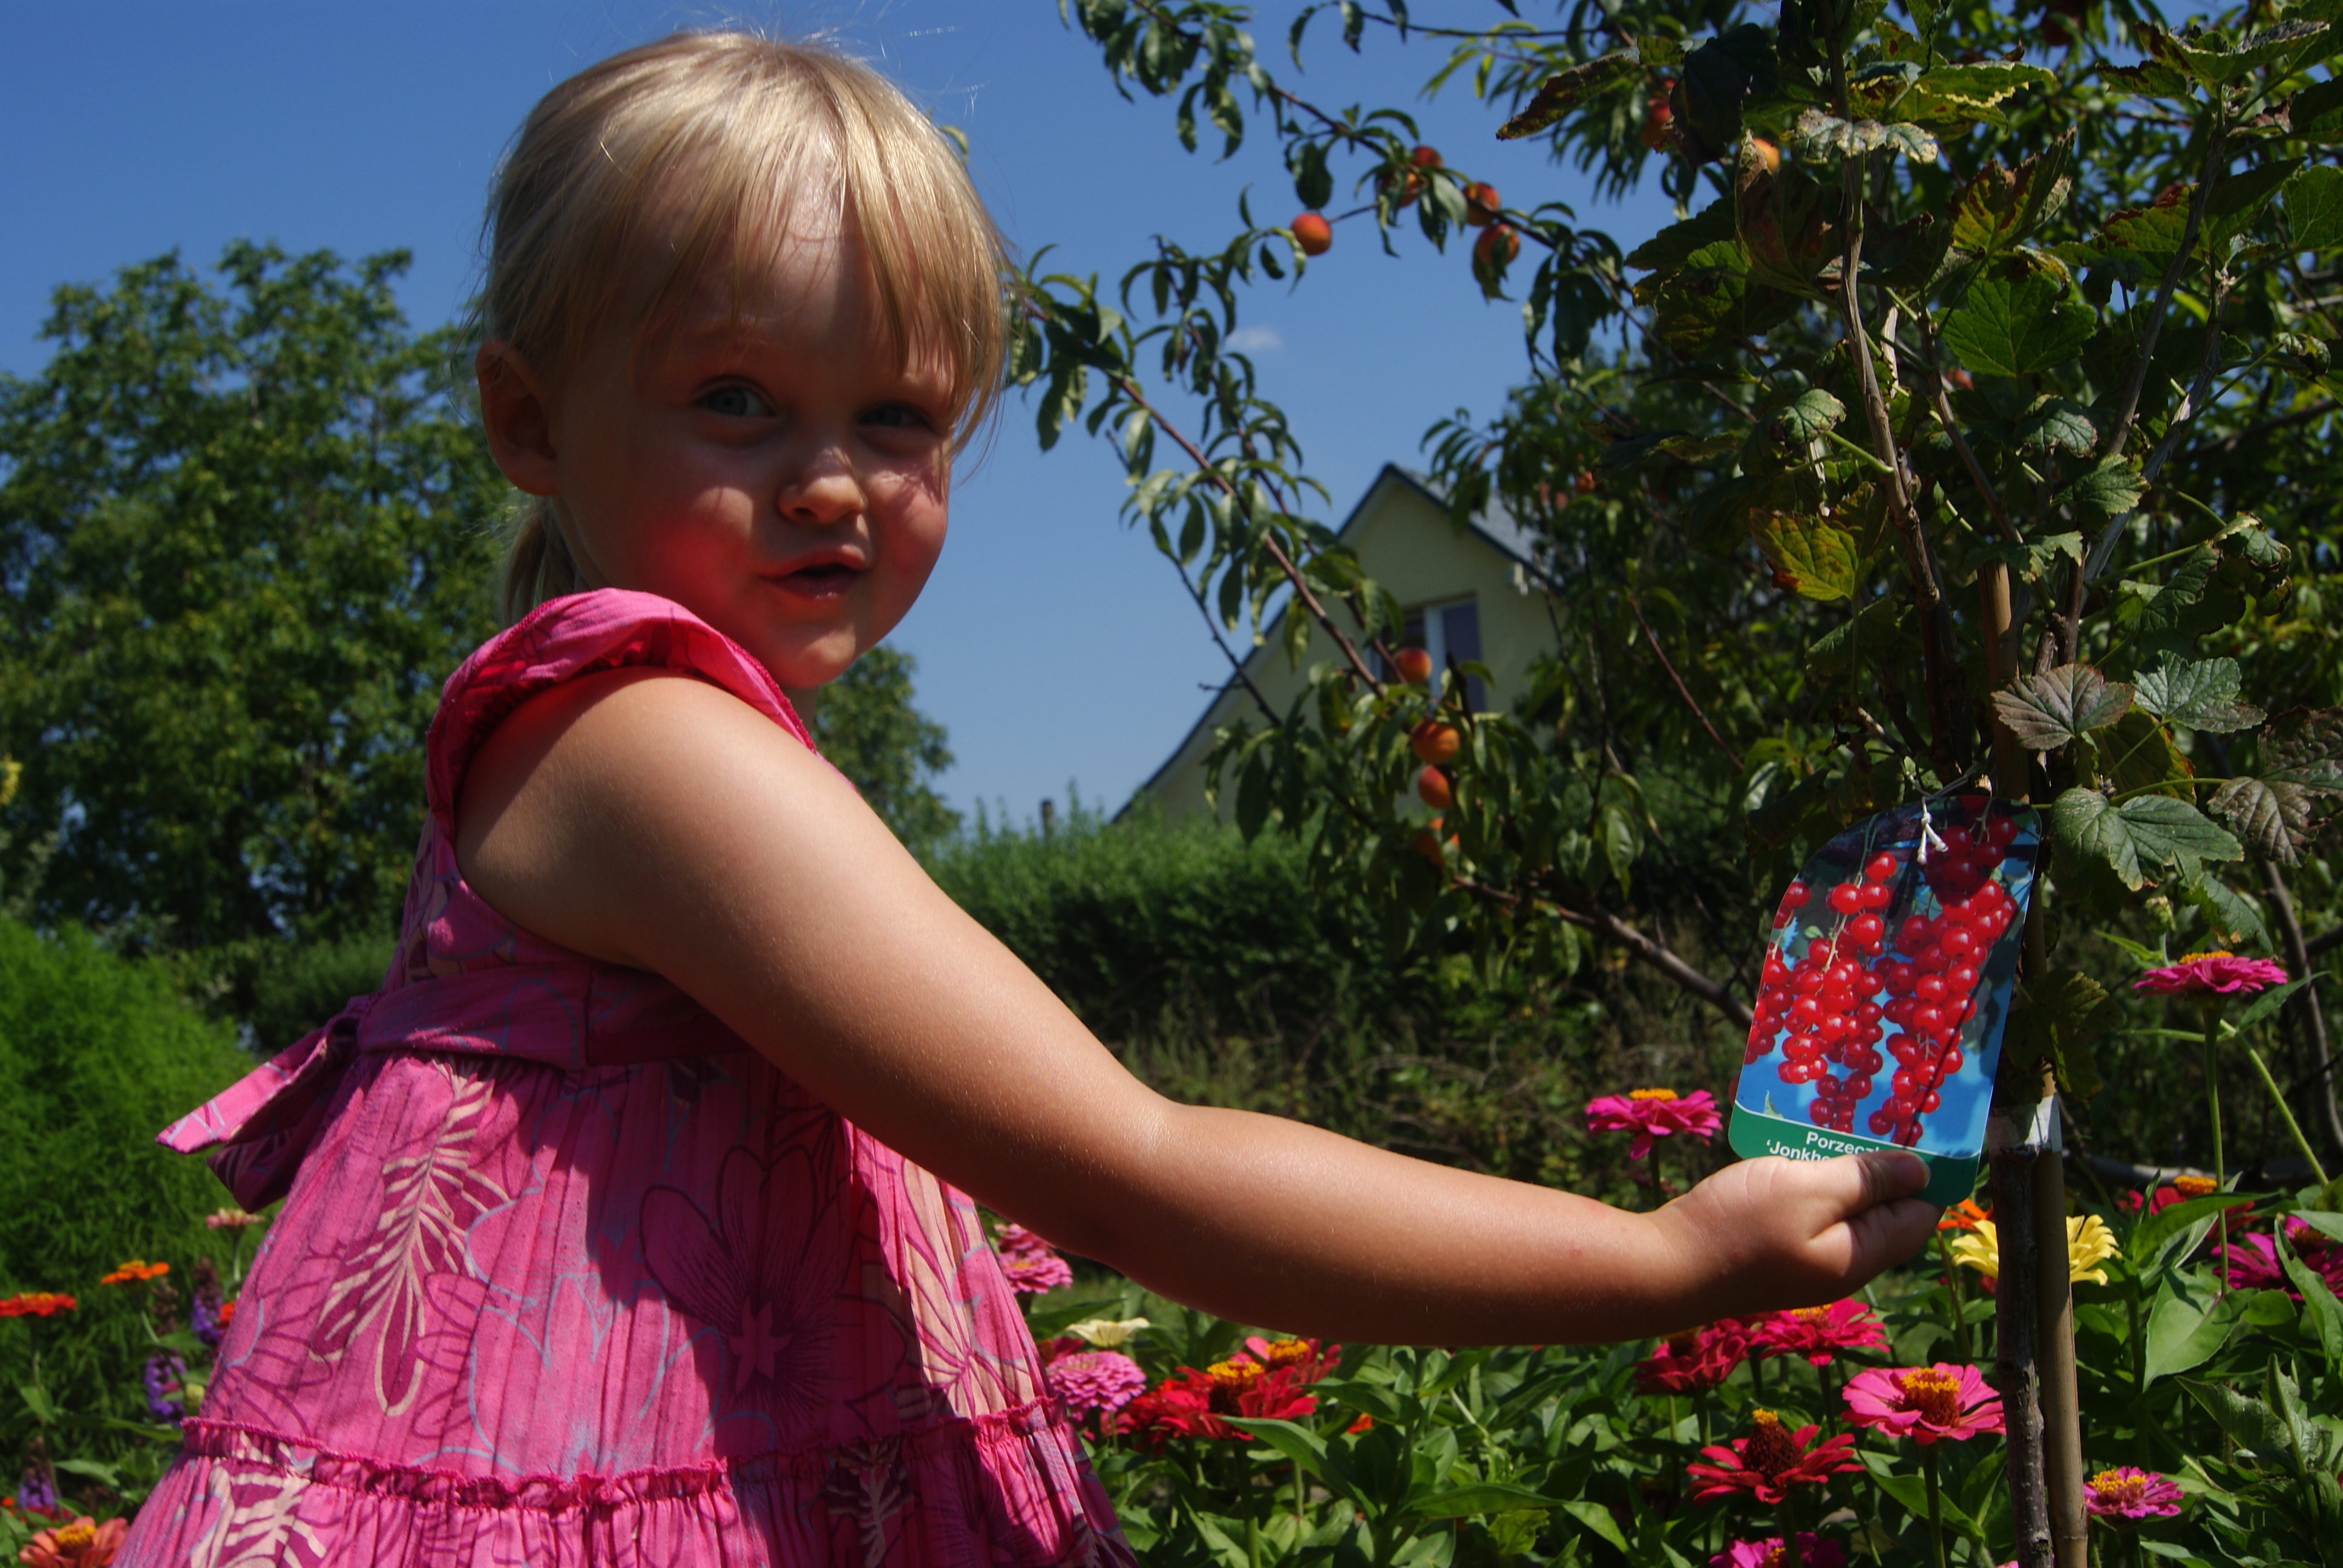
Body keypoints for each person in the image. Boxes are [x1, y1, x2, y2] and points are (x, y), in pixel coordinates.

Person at [122, 30, 1937, 1567]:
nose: (834, 483)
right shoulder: (644, 741)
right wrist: (1657, 1257)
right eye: (738, 400)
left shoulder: (656, 737)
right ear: (530, 421)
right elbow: (1130, 1167)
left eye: (899, 421)